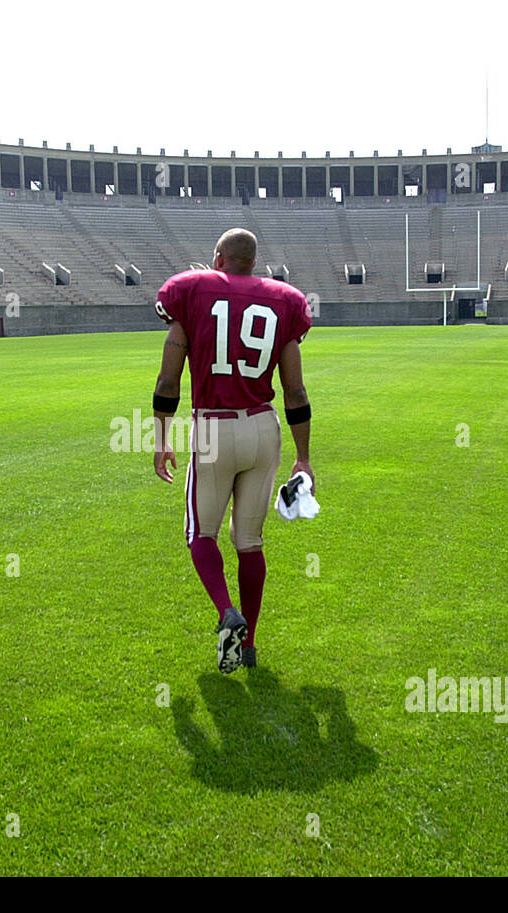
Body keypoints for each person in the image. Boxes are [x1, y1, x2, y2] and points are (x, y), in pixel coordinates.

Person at [151, 228, 314, 673]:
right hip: (263, 426)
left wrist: (162, 437)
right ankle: (251, 645)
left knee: (201, 534)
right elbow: (295, 390)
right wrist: (303, 458)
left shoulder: (191, 292)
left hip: (213, 428)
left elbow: (169, 380)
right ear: (253, 262)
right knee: (250, 542)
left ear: (218, 258)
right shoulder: (285, 300)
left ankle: (227, 611)